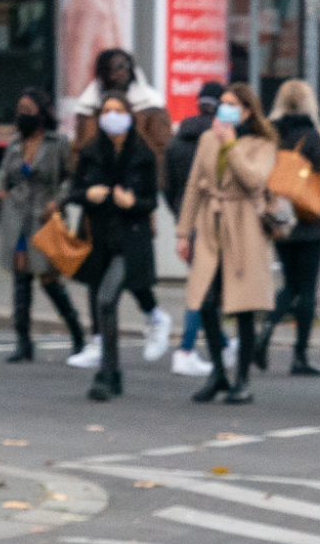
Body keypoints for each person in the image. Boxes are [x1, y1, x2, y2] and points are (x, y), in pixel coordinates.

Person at [62, 48, 174, 365]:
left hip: (131, 214)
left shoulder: (148, 112)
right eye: (113, 67)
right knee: (97, 276)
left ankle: (154, 316)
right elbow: (77, 166)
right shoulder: (89, 120)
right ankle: (99, 342)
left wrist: (141, 200)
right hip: (97, 216)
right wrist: (87, 192)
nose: (119, 72)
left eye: (124, 66)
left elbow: (158, 159)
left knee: (132, 277)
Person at [177, 83, 278, 405]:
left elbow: (254, 179)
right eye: (222, 103)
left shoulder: (263, 143)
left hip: (244, 226)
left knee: (244, 307)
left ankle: (242, 380)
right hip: (210, 225)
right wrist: (183, 232)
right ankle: (218, 372)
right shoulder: (207, 138)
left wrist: (231, 146)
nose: (224, 110)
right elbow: (194, 185)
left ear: (248, 111)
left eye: (232, 105)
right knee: (206, 301)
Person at [70, 92, 160, 400]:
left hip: (129, 238)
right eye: (106, 111)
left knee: (107, 299)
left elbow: (151, 200)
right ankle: (113, 372)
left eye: (118, 110)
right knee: (100, 302)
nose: (112, 116)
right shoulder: (92, 150)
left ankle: (106, 373)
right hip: (98, 238)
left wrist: (133, 202)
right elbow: (74, 189)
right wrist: (87, 194)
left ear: (129, 115)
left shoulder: (142, 153)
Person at [0, 87, 83, 364]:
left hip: (45, 217)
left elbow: (72, 177)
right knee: (21, 277)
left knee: (48, 278)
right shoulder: (15, 144)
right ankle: (23, 341)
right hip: (18, 216)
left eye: (28, 111)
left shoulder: (58, 143)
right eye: (20, 110)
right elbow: (1, 176)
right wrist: (0, 190)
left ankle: (78, 335)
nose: (22, 116)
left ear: (42, 114)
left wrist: (59, 201)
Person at [261, 79, 320, 378]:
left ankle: (264, 331)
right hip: (310, 224)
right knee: (306, 290)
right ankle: (300, 355)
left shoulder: (271, 136)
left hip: (280, 220)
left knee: (288, 285)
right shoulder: (313, 138)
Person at [164, 79, 225, 378]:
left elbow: (169, 187)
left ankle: (222, 344)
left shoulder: (177, 143)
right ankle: (186, 349)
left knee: (204, 286)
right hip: (217, 222)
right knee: (204, 289)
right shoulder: (219, 141)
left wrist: (180, 217)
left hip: (188, 223)